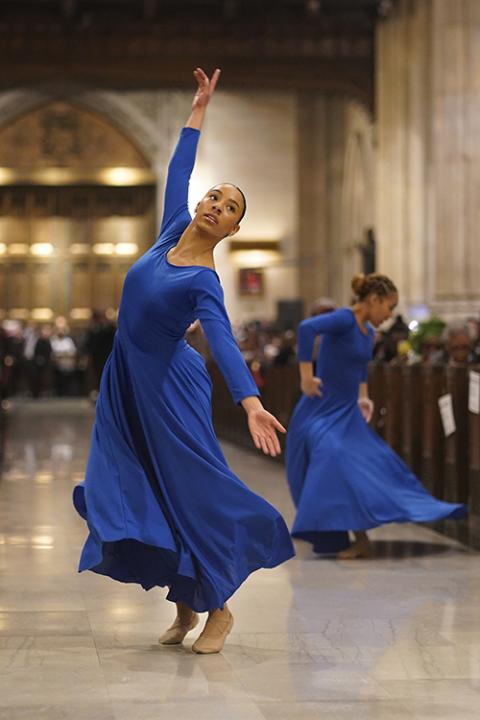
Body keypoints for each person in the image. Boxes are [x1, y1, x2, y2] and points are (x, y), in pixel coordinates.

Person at [73, 67, 294, 655]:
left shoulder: (205, 281)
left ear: (234, 228)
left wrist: (250, 401)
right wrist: (198, 109)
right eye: (214, 196)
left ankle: (219, 609)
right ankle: (185, 603)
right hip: (127, 379)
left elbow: (220, 340)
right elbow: (177, 168)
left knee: (186, 490)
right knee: (137, 486)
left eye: (228, 207)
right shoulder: (170, 226)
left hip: (170, 387)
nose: (215, 205)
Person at [286, 273, 466, 560]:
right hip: (320, 409)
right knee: (334, 459)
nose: (390, 314)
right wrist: (306, 376)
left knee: (375, 464)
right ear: (373, 300)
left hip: (347, 412)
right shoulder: (344, 319)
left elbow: (360, 368)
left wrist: (364, 396)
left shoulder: (369, 332)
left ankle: (366, 533)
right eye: (389, 306)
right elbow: (307, 328)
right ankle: (355, 537)